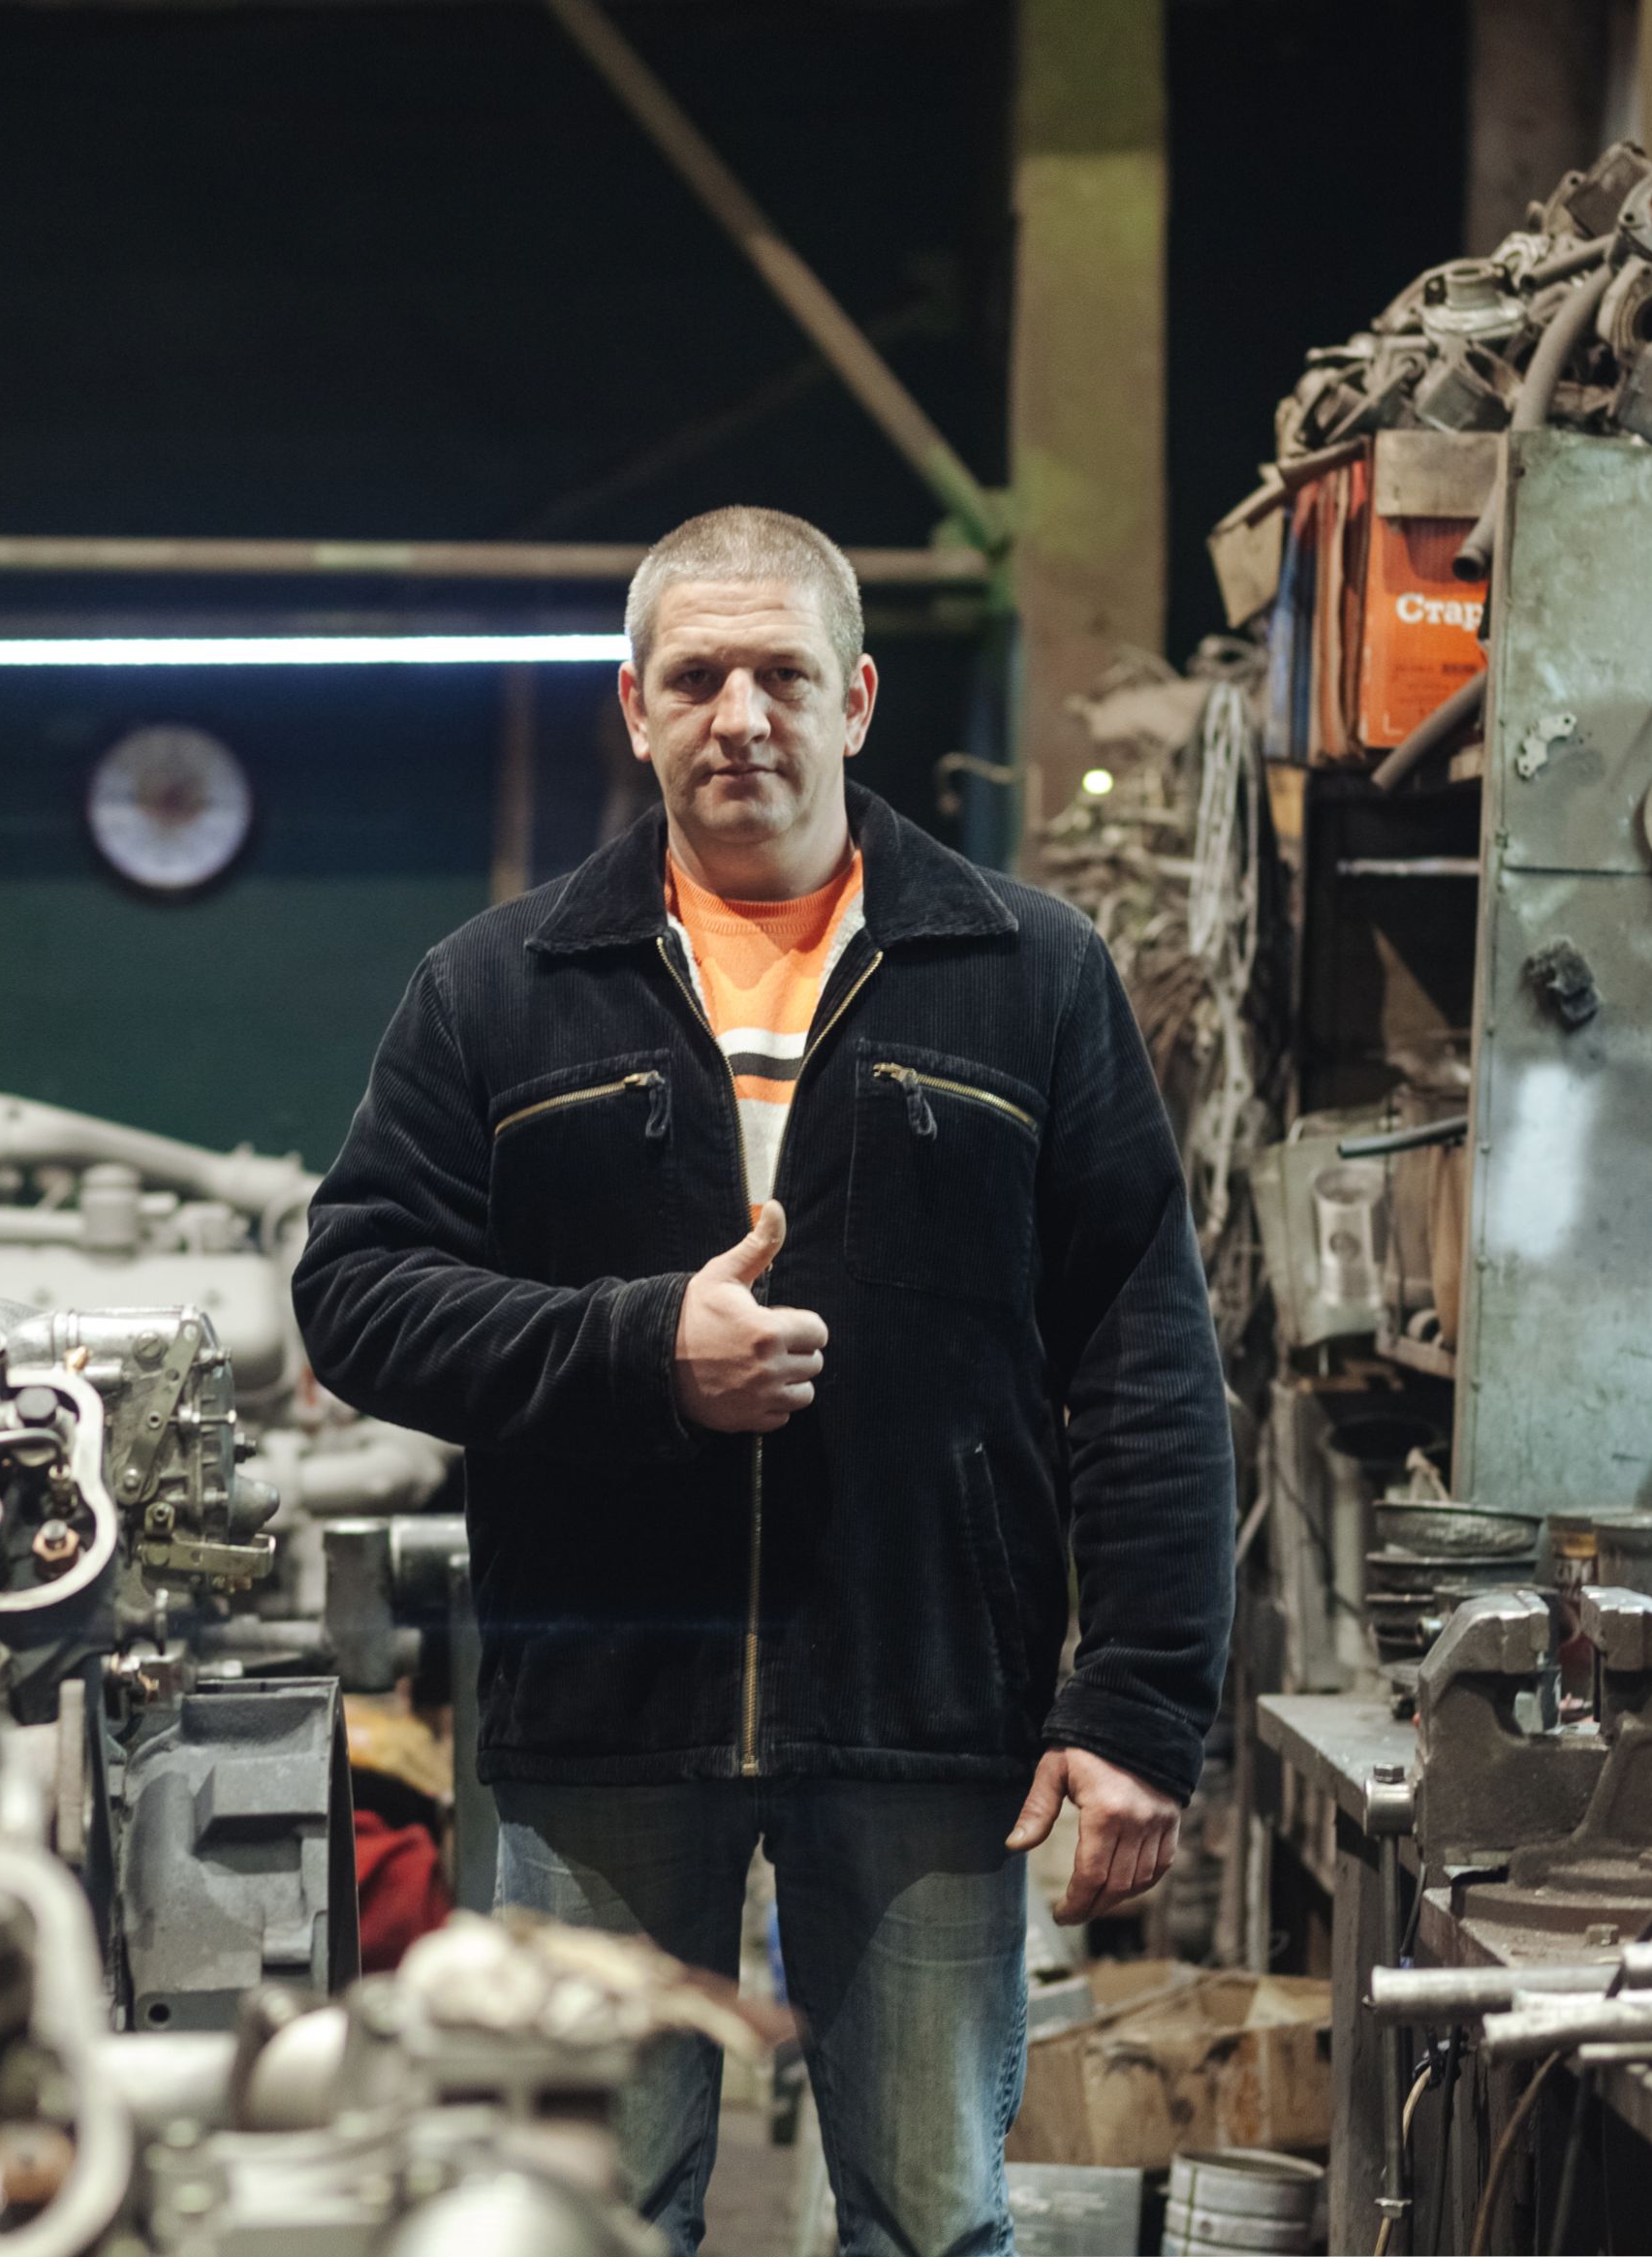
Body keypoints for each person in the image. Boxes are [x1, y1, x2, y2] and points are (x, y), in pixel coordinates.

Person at [292, 506, 1234, 2257]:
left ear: (858, 699)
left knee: (933, 2219)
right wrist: (639, 1345)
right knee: (574, 2217)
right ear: (634, 706)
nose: (742, 716)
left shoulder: (1028, 974)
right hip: (606, 1713)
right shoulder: (500, 989)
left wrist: (1137, 1703)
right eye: (698, 677)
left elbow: (1145, 1352)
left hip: (926, 1709)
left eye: (785, 675)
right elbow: (353, 1294)